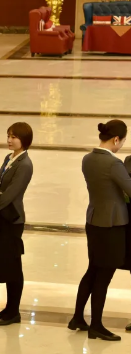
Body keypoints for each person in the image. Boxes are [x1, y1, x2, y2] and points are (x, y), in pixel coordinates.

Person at [69, 120, 131, 341]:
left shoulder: (88, 159)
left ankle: (77, 317)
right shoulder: (113, 164)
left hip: (94, 221)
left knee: (92, 270)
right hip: (112, 226)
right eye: (123, 141)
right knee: (104, 276)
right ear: (116, 139)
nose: (122, 145)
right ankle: (96, 325)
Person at [0, 122, 34, 326]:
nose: (9, 140)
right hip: (2, 215)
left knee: (13, 265)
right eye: (8, 135)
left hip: (12, 219)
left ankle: (14, 311)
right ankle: (8, 308)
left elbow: (10, 194)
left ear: (24, 140)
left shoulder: (25, 164)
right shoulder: (10, 158)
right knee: (5, 263)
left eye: (14, 137)